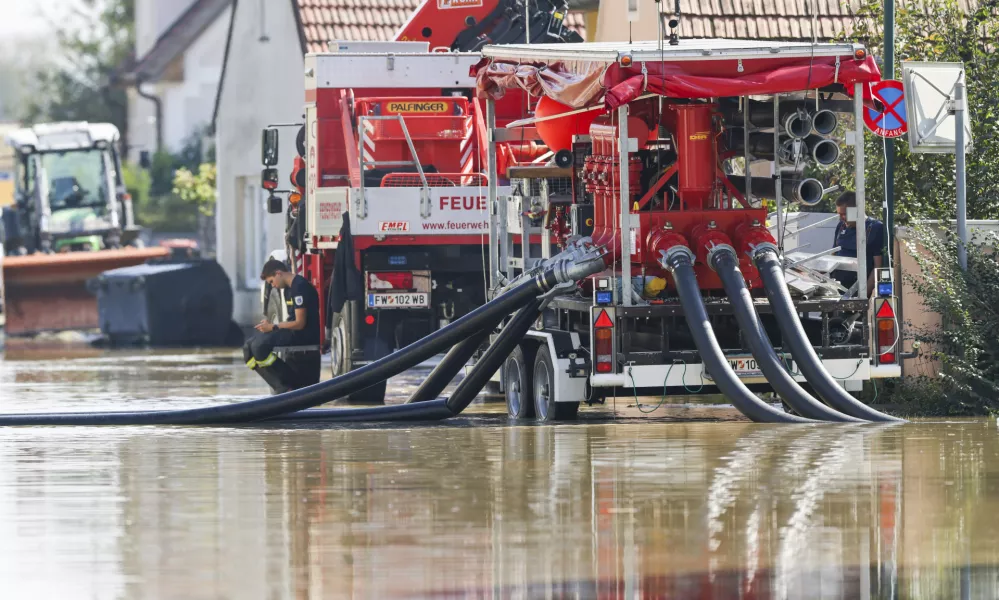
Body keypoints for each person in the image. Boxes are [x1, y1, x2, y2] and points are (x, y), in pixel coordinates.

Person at [243, 259, 320, 390]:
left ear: (278, 273)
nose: (273, 286)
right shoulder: (288, 289)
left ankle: (285, 385)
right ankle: (280, 384)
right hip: (293, 331)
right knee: (248, 347)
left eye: (271, 281)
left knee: (259, 347)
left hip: (303, 334)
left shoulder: (299, 287)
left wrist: (273, 327)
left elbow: (300, 323)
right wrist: (271, 326)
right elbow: (291, 320)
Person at [830, 191, 885, 297]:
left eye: (844, 214)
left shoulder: (874, 228)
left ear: (856, 210)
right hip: (837, 291)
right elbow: (832, 256)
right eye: (839, 214)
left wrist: (861, 296)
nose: (841, 218)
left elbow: (878, 267)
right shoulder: (841, 226)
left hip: (858, 292)